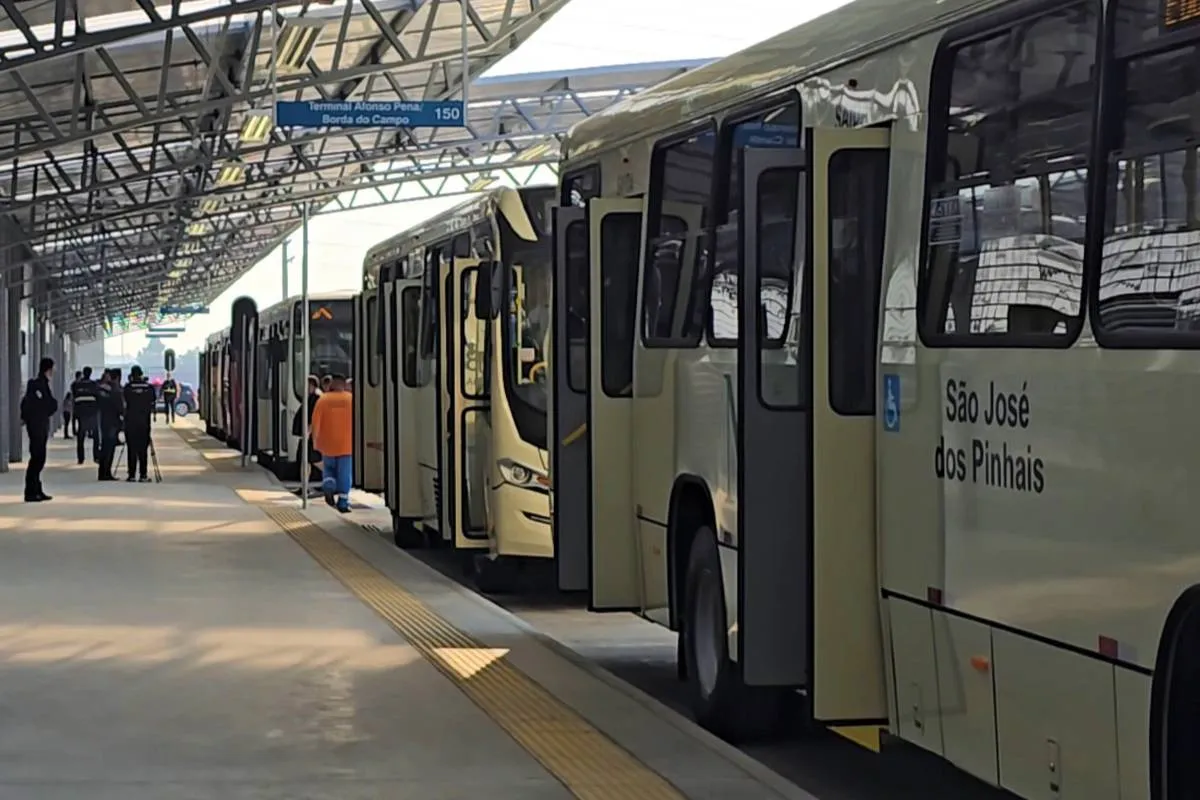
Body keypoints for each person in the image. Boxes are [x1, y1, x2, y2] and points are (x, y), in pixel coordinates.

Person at [311, 373, 353, 513]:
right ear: (344, 385)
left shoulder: (323, 400)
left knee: (328, 469)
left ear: (332, 385)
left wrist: (315, 442)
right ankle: (343, 502)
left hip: (327, 444)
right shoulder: (350, 399)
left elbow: (315, 422)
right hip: (347, 445)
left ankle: (329, 485)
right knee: (345, 473)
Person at [20, 357, 56, 502]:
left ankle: (37, 489)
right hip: (37, 425)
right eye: (52, 369)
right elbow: (47, 403)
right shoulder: (38, 385)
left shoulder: (40, 384)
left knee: (39, 458)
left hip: (38, 424)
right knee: (37, 458)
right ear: (48, 369)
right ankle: (30, 491)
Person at [123, 366, 155, 483]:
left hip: (131, 422)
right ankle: (143, 474)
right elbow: (152, 400)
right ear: (141, 374)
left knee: (131, 449)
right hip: (144, 422)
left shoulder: (128, 387)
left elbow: (125, 400)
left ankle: (131, 475)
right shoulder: (148, 387)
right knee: (143, 450)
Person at [96, 368, 124, 482]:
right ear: (118, 377)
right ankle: (107, 473)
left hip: (103, 420)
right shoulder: (116, 390)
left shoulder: (102, 389)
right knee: (110, 448)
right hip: (113, 422)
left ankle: (102, 472)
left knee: (104, 447)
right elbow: (120, 408)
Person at [71, 366, 100, 465]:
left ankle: (80, 458)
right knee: (95, 435)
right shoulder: (94, 384)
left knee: (81, 435)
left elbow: (74, 396)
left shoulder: (75, 384)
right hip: (92, 412)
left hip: (80, 412)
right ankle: (96, 456)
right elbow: (98, 397)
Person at [62, 371, 80, 439]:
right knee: (72, 420)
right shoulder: (76, 385)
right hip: (70, 410)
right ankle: (72, 432)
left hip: (67, 411)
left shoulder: (73, 384)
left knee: (72, 420)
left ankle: (73, 431)